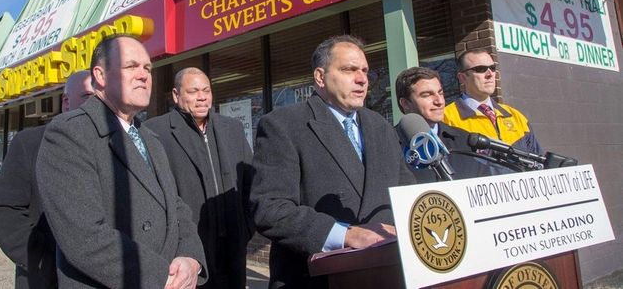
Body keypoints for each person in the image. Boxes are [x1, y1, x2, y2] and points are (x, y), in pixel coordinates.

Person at [36, 35, 206, 289]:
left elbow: (177, 208)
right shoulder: (70, 133)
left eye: (148, 68)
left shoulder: (151, 139)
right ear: (100, 76)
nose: (144, 75)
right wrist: (164, 277)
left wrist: (192, 259)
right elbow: (84, 236)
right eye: (131, 66)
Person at [251, 35, 416, 288]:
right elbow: (269, 208)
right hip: (315, 279)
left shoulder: (381, 126)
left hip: (386, 274)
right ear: (320, 77)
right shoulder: (282, 125)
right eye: (349, 70)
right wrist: (345, 235)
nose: (362, 79)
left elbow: (407, 196)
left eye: (365, 71)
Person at [144, 67, 253, 289]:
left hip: (233, 243)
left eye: (206, 90)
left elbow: (249, 182)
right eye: (193, 91)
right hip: (188, 251)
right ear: (176, 95)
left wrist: (246, 228)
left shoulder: (231, 128)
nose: (202, 97)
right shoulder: (155, 132)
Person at [0, 70, 93, 288]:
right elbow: (3, 211)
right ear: (66, 102)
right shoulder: (30, 143)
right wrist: (44, 259)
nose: (97, 106)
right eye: (88, 97)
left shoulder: (113, 150)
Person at [394, 66, 493, 182]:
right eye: (427, 95)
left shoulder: (465, 141)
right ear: (405, 103)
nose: (439, 101)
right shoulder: (389, 145)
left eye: (440, 93)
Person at [444, 49, 542, 154]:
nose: (490, 74)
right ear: (462, 78)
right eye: (480, 69)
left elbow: (538, 162)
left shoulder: (516, 117)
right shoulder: (446, 118)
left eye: (492, 68)